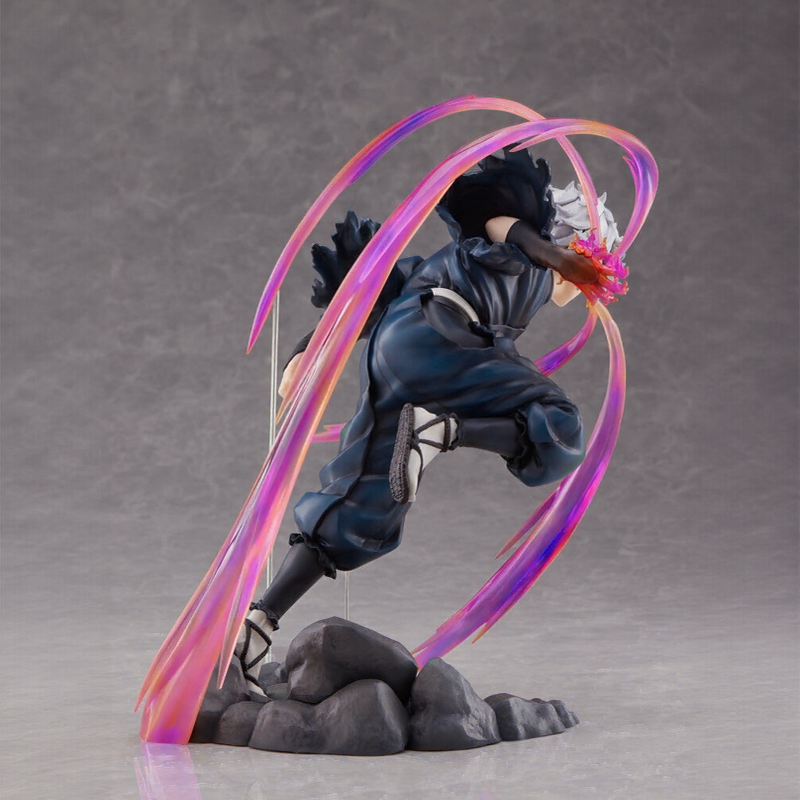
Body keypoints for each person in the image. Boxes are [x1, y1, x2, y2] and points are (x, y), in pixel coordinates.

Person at [235, 148, 620, 693]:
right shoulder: (517, 249)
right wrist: (557, 257)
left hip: (398, 351)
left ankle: (257, 625)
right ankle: (442, 432)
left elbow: (377, 295)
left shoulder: (494, 273)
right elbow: (503, 223)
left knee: (364, 504)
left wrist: (309, 351)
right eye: (590, 264)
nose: (580, 288)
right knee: (562, 427)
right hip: (444, 340)